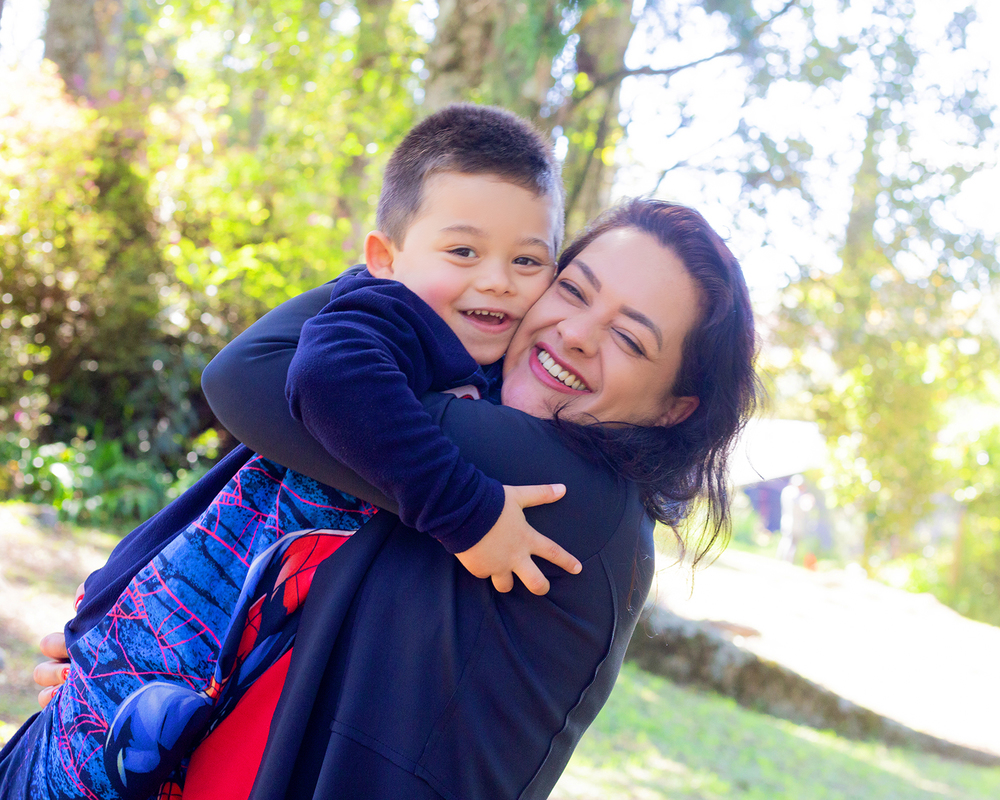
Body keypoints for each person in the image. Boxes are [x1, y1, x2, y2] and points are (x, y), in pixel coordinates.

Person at [18, 199, 759, 800]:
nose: (574, 334)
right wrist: (121, 644)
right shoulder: (471, 436)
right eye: (571, 289)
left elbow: (258, 372)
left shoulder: (568, 488)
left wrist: (418, 265)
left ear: (675, 409)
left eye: (629, 340)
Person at [1, 102, 582, 799]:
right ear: (383, 259)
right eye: (463, 251)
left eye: (528, 261)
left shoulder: (488, 366)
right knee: (81, 775)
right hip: (186, 612)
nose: (497, 280)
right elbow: (332, 374)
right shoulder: (389, 314)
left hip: (238, 634)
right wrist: (469, 515)